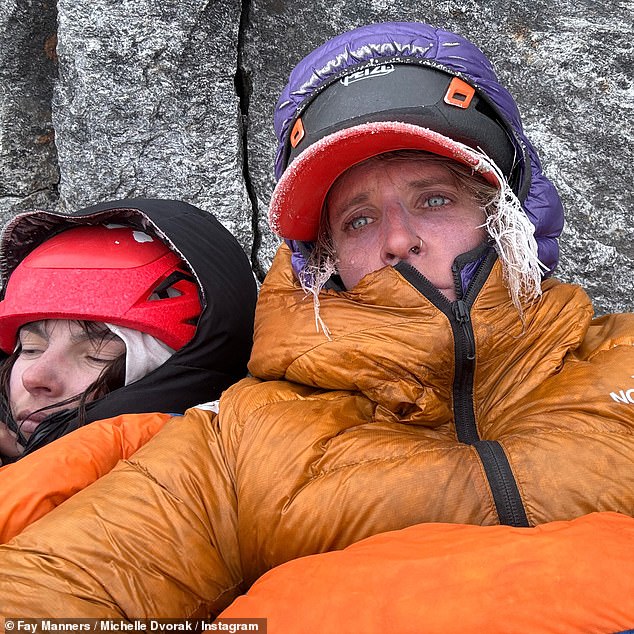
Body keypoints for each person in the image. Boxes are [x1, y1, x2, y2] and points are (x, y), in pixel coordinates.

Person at [0, 22, 633, 622]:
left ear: (510, 210)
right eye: (357, 219)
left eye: (434, 199)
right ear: (321, 259)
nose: (399, 240)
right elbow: (63, 584)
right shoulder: (238, 445)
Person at [0, 198, 256, 540]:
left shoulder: (181, 505)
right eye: (30, 348)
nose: (35, 378)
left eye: (96, 355)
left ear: (172, 374)